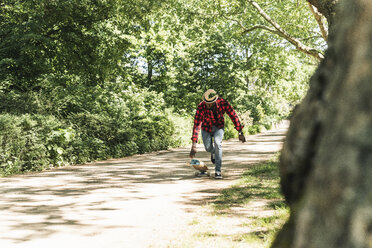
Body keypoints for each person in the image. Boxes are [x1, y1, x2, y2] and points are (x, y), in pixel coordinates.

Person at [189, 89, 246, 179]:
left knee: (218, 143)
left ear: (215, 100)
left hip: (218, 127)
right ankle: (213, 152)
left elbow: (233, 115)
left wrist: (240, 132)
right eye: (206, 103)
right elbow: (197, 124)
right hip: (206, 128)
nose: (208, 105)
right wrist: (194, 144)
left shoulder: (223, 103)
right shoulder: (201, 106)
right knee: (208, 148)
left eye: (210, 103)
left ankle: (218, 171)